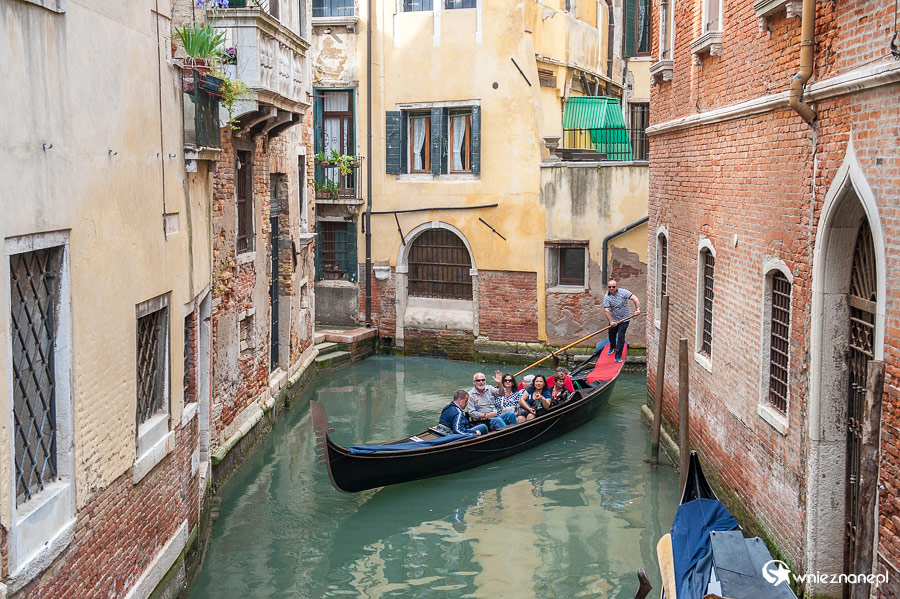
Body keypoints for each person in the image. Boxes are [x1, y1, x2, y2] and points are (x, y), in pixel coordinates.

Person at [601, 279, 641, 363]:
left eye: (613, 287)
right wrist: (611, 322)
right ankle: (612, 347)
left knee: (620, 337)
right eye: (609, 287)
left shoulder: (623, 292)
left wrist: (637, 309)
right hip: (614, 320)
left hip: (624, 319)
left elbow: (635, 298)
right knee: (611, 335)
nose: (611, 288)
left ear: (616, 287)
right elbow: (606, 310)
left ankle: (618, 356)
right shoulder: (607, 297)